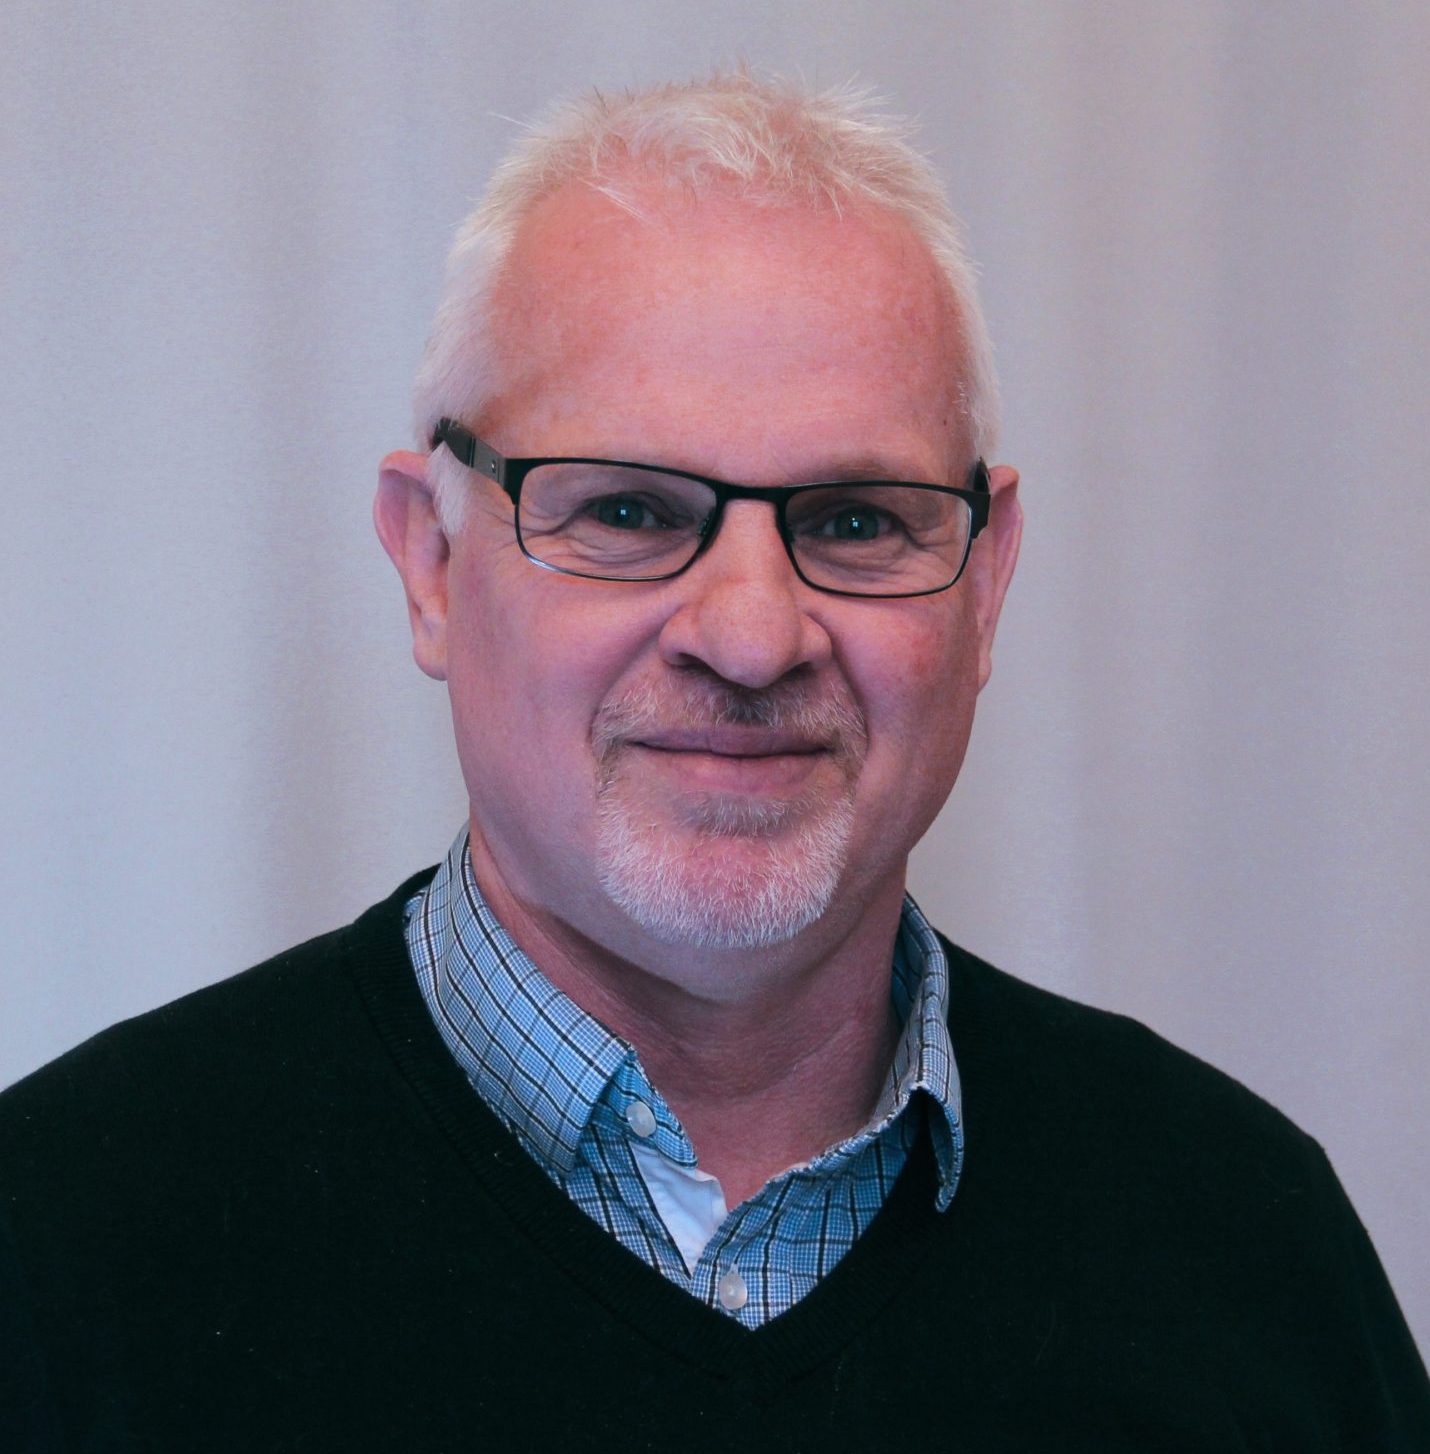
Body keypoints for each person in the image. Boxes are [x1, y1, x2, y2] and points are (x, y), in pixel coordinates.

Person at [2, 71, 1426, 1452]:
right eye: (624, 507)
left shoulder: (1236, 1238)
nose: (751, 636)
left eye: (858, 521)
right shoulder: (59, 1243)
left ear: (983, 584)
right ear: (430, 562)